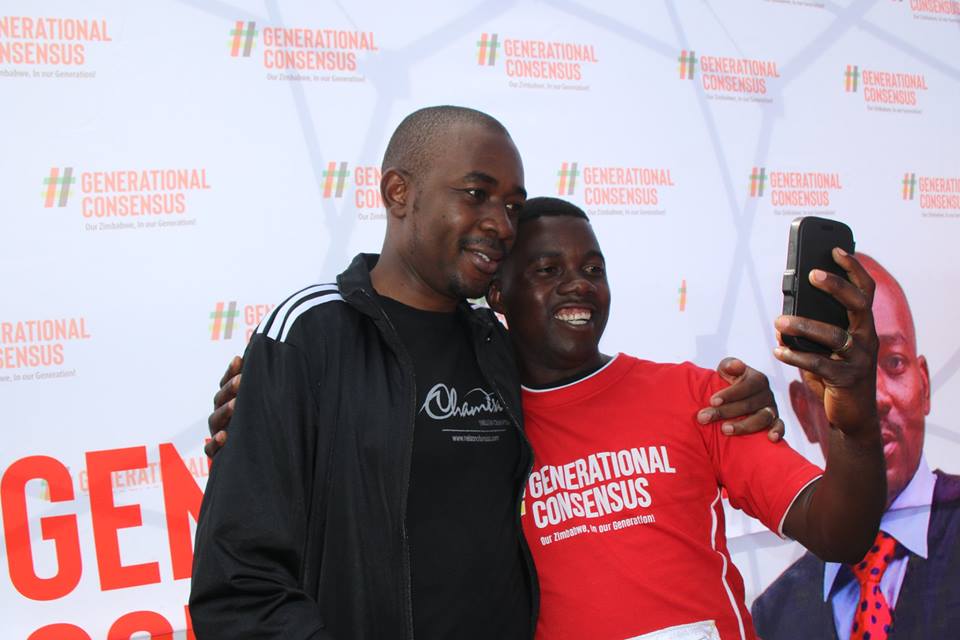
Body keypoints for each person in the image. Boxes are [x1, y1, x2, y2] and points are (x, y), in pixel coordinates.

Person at [189, 107, 782, 640]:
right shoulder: (312, 334)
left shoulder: (498, 346)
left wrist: (742, 398)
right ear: (399, 192)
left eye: (512, 206)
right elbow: (238, 580)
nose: (501, 223)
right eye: (476, 194)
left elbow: (604, 402)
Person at [478, 198, 884, 639]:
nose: (578, 285)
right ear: (499, 292)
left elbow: (838, 534)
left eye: (593, 270)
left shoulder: (699, 396)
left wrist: (855, 424)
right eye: (548, 270)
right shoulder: (482, 431)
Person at [751, 254, 960, 640]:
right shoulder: (773, 616)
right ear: (801, 410)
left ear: (925, 385)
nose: (873, 397)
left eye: (894, 363)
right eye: (837, 373)